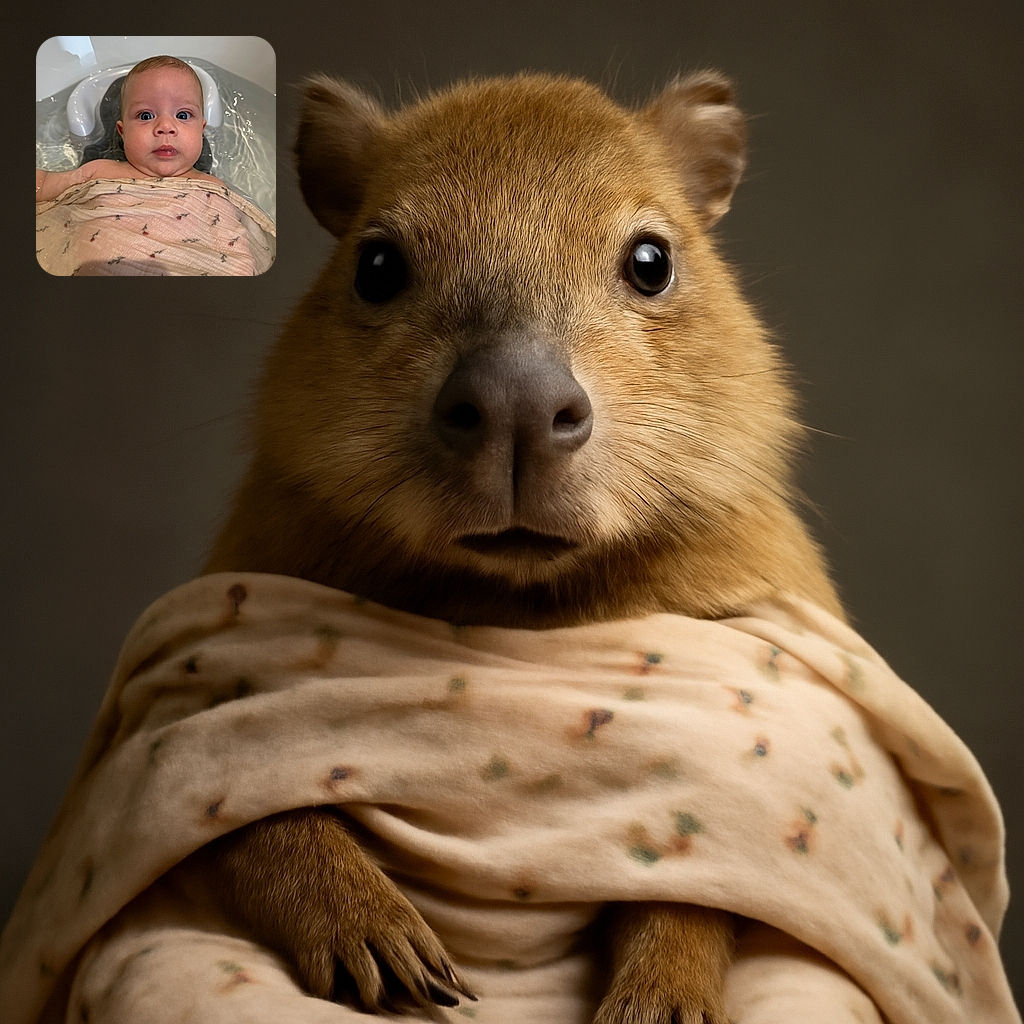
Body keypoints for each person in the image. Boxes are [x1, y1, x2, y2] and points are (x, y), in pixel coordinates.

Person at [35, 55, 223, 202]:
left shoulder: (214, 189)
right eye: (145, 116)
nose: (165, 127)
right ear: (122, 132)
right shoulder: (99, 172)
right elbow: (42, 186)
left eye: (183, 115)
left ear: (201, 130)